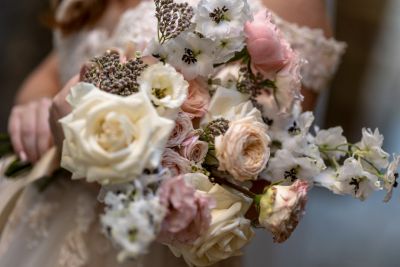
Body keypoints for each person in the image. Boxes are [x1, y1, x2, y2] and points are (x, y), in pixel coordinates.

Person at [1, 0, 346, 266]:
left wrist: (86, 147)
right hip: (32, 218)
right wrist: (38, 109)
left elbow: (258, 180)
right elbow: (50, 74)